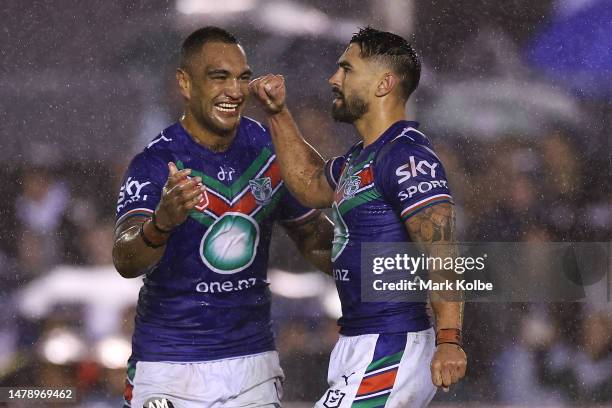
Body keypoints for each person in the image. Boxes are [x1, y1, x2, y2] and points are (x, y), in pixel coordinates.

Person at [112, 26, 333, 408]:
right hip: (168, 365)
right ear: (184, 83)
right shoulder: (153, 163)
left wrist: (388, 272)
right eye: (219, 78)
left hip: (252, 366)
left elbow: (315, 238)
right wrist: (161, 223)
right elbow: (125, 260)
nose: (234, 91)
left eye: (242, 78)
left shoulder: (266, 150)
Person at [250, 27, 467, 407]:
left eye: (347, 69)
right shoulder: (361, 158)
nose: (334, 79)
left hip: (392, 344)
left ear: (384, 83)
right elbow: (310, 182)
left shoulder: (407, 157)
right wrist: (278, 113)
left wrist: (449, 340)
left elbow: (442, 251)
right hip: (359, 343)